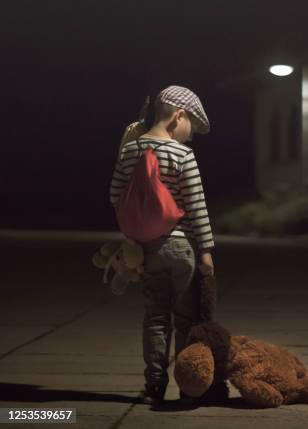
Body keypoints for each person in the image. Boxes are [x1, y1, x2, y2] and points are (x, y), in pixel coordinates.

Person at [109, 85, 215, 405]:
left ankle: (154, 382)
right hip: (182, 248)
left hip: (149, 249)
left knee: (156, 317)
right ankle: (187, 386)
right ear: (178, 116)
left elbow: (115, 195)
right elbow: (196, 206)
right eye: (190, 128)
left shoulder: (130, 150)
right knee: (186, 317)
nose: (190, 136)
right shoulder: (183, 154)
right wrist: (207, 251)